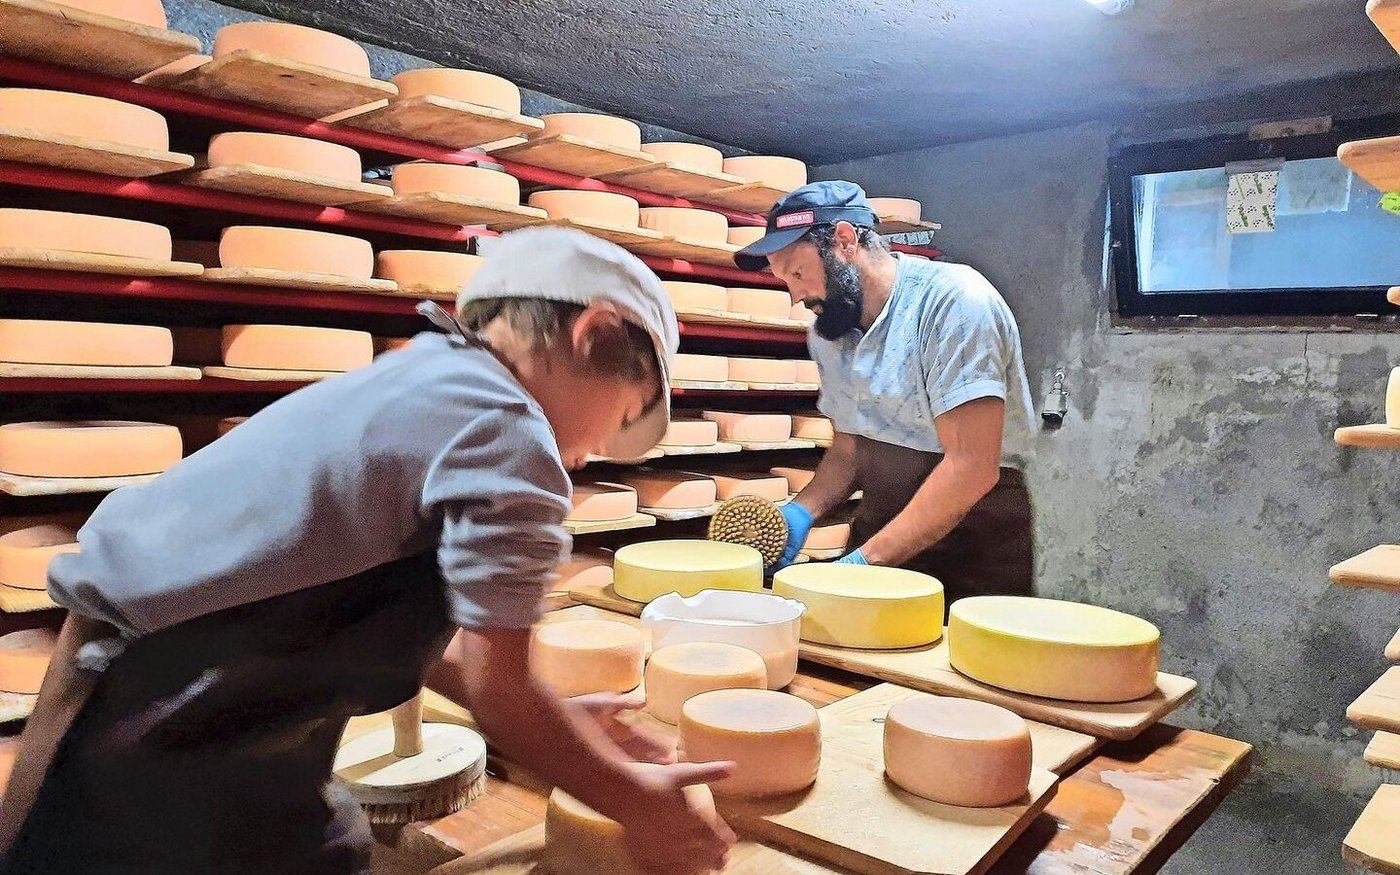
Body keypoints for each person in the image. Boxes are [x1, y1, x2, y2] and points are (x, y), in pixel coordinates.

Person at [0, 228, 735, 875]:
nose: (602, 447)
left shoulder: (426, 381)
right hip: (170, 719)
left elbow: (344, 615)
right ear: (593, 334)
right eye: (627, 411)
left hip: (125, 683)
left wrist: (559, 717)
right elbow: (500, 694)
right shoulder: (507, 430)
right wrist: (643, 808)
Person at [735, 181, 1037, 601]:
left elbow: (971, 466)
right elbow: (848, 451)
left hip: (972, 538)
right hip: (881, 523)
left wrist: (863, 564)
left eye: (798, 273)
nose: (795, 294)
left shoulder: (954, 303)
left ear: (844, 241)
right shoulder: (831, 331)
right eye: (785, 279)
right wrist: (802, 511)